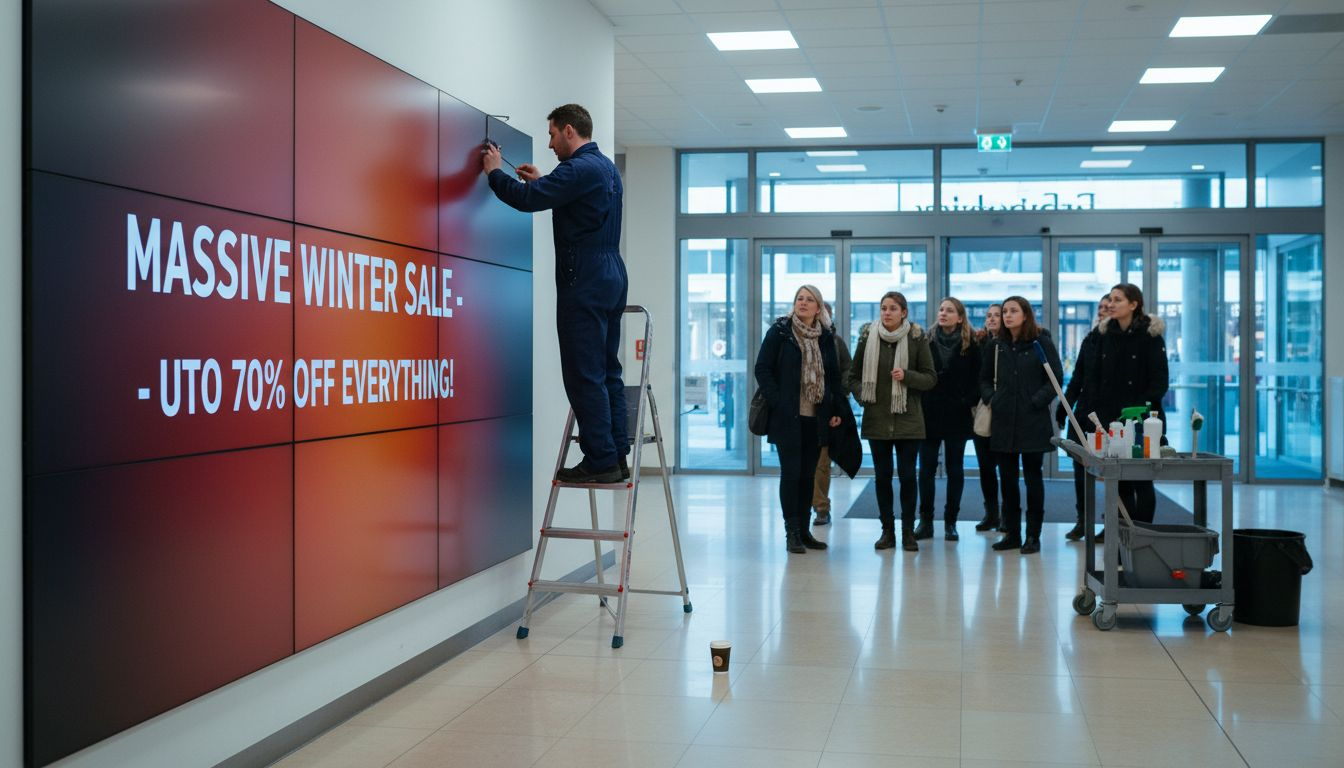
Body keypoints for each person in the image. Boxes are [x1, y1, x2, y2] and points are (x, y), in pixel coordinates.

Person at [482, 104, 629, 484]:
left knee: (584, 374)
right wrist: (543, 182)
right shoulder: (605, 168)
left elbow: (527, 201)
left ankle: (600, 460)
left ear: (568, 130)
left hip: (585, 277)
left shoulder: (578, 168)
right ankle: (616, 454)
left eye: (551, 135)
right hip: (611, 273)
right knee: (607, 370)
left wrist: (494, 172)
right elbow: (573, 201)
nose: (549, 144)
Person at [755, 285, 846, 554]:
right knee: (791, 474)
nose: (803, 303)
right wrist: (778, 402)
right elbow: (762, 369)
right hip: (788, 418)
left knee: (808, 476)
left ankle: (805, 531)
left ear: (818, 308)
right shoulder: (780, 332)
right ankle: (791, 532)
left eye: (809, 300)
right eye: (799, 298)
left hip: (816, 418)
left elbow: (833, 377)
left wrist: (837, 409)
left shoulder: (825, 337)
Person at [849, 292, 937, 552]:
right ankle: (887, 531)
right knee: (882, 477)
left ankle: (908, 531)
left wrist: (906, 376)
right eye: (883, 308)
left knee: (908, 477)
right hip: (877, 418)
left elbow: (930, 378)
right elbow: (852, 376)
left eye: (892, 308)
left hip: (908, 420)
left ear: (904, 312)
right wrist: (863, 395)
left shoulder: (916, 338)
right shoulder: (867, 337)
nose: (887, 313)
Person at [980, 296, 1063, 555]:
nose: (1007, 315)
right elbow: (983, 379)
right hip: (1004, 420)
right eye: (1005, 311)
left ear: (1025, 314)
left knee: (1032, 479)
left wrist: (1036, 401)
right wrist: (992, 399)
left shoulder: (1041, 342)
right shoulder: (996, 345)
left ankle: (1033, 536)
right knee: (1007, 480)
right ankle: (1012, 534)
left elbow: (1055, 378)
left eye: (1013, 311)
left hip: (1032, 420)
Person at [1084, 283, 1169, 528]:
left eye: (1117, 300)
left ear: (1134, 304)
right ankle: (1123, 539)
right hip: (1111, 419)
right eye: (1110, 299)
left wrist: (1138, 409)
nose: (1111, 304)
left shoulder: (1150, 336)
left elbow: (1160, 382)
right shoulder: (1104, 334)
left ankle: (1144, 536)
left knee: (1142, 480)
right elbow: (1095, 377)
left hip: (1142, 420)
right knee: (1119, 481)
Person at [917, 297, 980, 542]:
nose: (943, 313)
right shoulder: (926, 340)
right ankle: (925, 521)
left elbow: (979, 378)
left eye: (950, 310)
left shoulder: (971, 344)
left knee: (955, 468)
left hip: (958, 413)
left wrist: (966, 400)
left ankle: (951, 522)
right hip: (929, 412)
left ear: (960, 317)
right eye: (941, 309)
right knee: (926, 469)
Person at [1059, 294, 1110, 541]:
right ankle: (1083, 520)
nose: (1102, 311)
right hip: (1083, 415)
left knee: (1112, 472)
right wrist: (1064, 406)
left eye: (1107, 307)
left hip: (1108, 417)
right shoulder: (1089, 339)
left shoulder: (1118, 342)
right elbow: (1077, 378)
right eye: (1100, 307)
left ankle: (1113, 523)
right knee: (1080, 471)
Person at [811, 302, 852, 527]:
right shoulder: (792, 339)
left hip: (827, 408)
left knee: (822, 461)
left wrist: (840, 397)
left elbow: (847, 370)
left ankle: (821, 507)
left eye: (826, 314)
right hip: (800, 408)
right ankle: (806, 505)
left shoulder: (835, 342)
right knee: (801, 461)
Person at [972, 303, 1004, 532]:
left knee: (1006, 468)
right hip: (983, 408)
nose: (991, 319)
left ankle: (1008, 516)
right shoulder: (979, 343)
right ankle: (991, 513)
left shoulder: (1010, 343)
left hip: (1006, 410)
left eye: (996, 315)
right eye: (988, 315)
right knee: (986, 468)